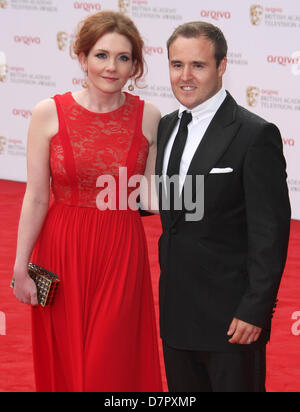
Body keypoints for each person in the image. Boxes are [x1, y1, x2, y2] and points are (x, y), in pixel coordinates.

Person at [12, 10, 163, 392]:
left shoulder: (150, 118)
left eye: (123, 57)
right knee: (65, 354)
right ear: (82, 58)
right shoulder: (49, 113)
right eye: (101, 55)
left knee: (110, 359)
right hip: (61, 249)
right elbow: (35, 196)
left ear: (135, 67)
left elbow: (153, 195)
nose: (111, 66)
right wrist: (20, 266)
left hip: (120, 249)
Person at [155, 21, 291, 392]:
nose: (185, 76)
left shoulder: (254, 134)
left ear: (222, 66)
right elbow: (173, 211)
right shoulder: (166, 127)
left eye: (197, 65)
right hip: (176, 315)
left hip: (231, 321)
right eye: (176, 64)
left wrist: (254, 309)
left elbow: (270, 233)